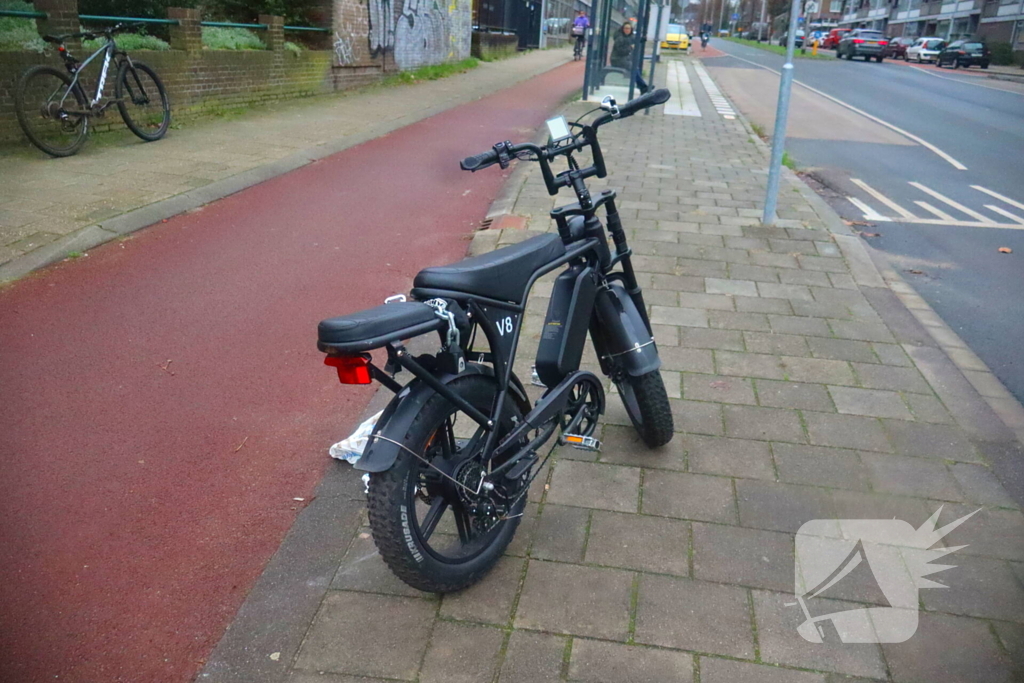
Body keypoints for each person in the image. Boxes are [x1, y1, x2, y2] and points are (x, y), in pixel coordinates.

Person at [610, 22, 649, 93]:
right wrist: (630, 48)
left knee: (635, 67)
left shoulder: (628, 37)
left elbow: (635, 40)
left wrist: (643, 39)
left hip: (624, 59)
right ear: (622, 29)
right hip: (616, 59)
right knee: (633, 67)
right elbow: (620, 51)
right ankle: (643, 86)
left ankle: (642, 86)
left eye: (629, 28)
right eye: (626, 28)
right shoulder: (619, 38)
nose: (627, 30)